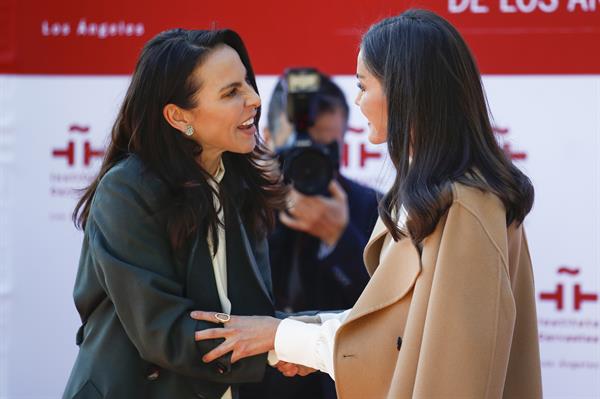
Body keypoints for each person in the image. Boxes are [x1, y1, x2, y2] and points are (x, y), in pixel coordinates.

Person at [191, 9, 543, 399]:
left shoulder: (465, 203)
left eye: (363, 85)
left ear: (405, 91)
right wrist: (291, 338)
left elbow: (446, 364)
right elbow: (396, 331)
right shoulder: (428, 196)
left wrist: (284, 330)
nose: (358, 100)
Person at [62, 28, 288, 399]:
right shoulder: (126, 190)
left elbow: (251, 314)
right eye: (231, 92)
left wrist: (305, 338)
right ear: (178, 116)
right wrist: (281, 347)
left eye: (247, 82)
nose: (254, 98)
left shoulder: (240, 184)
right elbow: (163, 331)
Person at [243, 73, 379, 399]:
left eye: (326, 148)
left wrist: (340, 239)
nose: (310, 161)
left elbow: (382, 317)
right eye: (299, 149)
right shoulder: (237, 204)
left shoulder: (373, 208)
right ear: (266, 136)